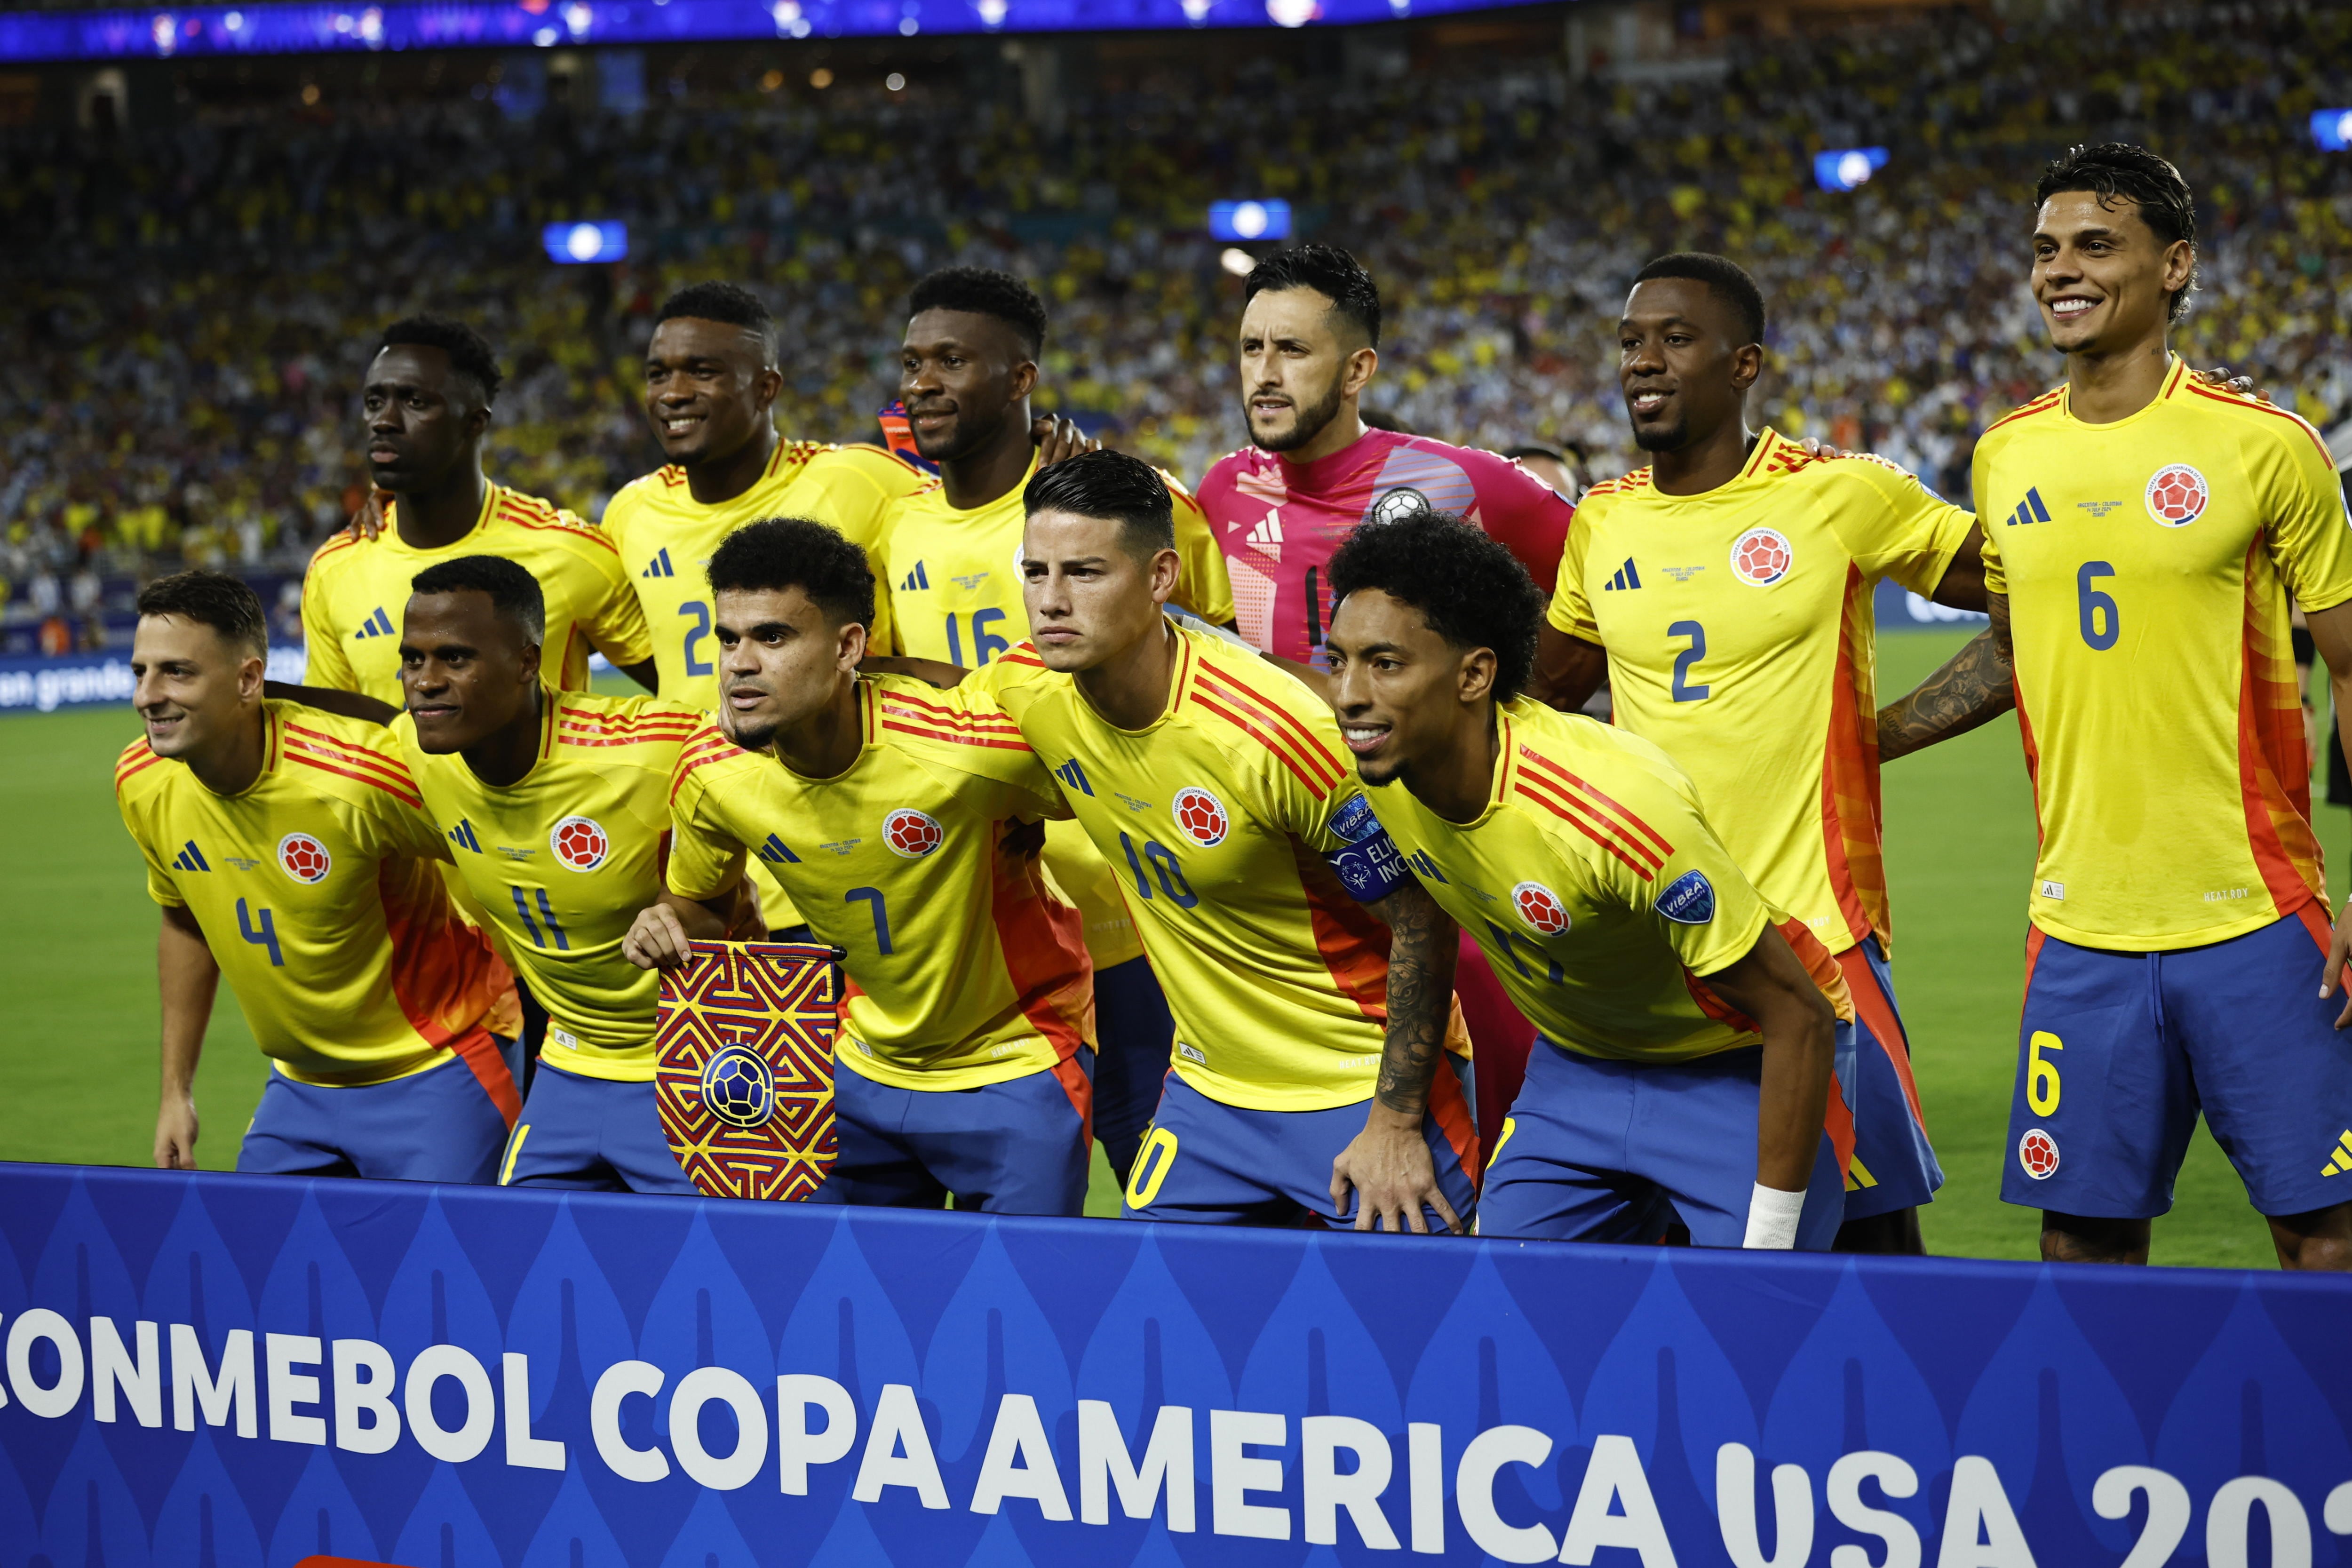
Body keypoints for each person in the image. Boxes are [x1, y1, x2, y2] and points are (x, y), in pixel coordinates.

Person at [1876, 143, 2352, 1271]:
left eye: (2095, 244)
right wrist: (1870, 736)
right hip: (2077, 928)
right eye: (2045, 250)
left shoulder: (2264, 449)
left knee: (2324, 1241)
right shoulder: (2004, 455)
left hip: (2256, 913)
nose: (2060, 271)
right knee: (2080, 1245)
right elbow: (2010, 653)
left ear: (2174, 265)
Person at [1524, 253, 1963, 1253]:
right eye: (1631, 341)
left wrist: (1885, 731)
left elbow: (2028, 593)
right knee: (1659, 1254)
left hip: (1816, 937)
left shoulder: (1839, 494)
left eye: (1676, 338)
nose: (1644, 360)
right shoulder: (1603, 519)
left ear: (1744, 363)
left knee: (1866, 1245)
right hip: (1660, 943)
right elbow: (1539, 695)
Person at [928, 451, 1478, 1232]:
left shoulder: (1277, 732)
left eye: (1084, 572)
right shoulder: (1027, 687)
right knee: (1153, 1331)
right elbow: (913, 740)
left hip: (1356, 1086)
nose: (1050, 601)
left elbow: (1422, 916)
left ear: (1160, 577)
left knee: (1413, 1338)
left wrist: (1393, 1123)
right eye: (1036, 571)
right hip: (1211, 1096)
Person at [1323, 510, 1853, 1247]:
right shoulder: (1375, 764)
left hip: (1736, 1059)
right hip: (1578, 1067)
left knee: (1755, 1328)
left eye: (1384, 664)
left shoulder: (1609, 809)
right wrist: (1394, 1116)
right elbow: (1424, 923)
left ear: (1474, 674)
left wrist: (1768, 1245)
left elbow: (1799, 1014)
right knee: (1504, 1308)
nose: (1348, 694)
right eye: (1337, 660)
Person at [1197, 245, 1577, 1155]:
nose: (1265, 373)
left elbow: (1596, 583)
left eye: (1292, 349)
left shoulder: (1460, 484)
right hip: (1283, 891)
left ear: (1360, 367)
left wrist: (1528, 715)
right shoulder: (1220, 493)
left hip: (1448, 881)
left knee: (1490, 1157)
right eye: (1252, 349)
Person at [874, 266, 1238, 1186]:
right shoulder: (897, 528)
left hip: (1129, 912)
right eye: (912, 361)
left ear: (1021, 377)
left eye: (952, 360)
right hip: (976, 931)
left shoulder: (1127, 505)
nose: (921, 382)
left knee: (1165, 1189)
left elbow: (1223, 676)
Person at [626, 517, 1097, 1212]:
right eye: (729, 638)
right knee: (836, 1301)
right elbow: (700, 908)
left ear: (849, 646)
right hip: (853, 1063)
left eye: (773, 637)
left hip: (1015, 1059)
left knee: (1018, 1307)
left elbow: (1101, 768)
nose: (738, 664)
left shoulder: (964, 746)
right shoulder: (711, 771)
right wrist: (665, 926)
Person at [115, 569, 520, 1181]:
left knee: (453, 1271)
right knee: (261, 1268)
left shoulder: (357, 775)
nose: (149, 695)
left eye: (178, 672)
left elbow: (510, 853)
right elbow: (186, 923)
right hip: (298, 1090)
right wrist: (177, 1092)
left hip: (438, 1068)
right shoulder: (141, 780)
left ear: (250, 680)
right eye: (141, 671)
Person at [600, 280, 929, 942]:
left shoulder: (859, 482)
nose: (674, 392)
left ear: (766, 387)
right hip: (711, 870)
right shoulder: (630, 513)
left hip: (864, 849)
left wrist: (1055, 450)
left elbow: (978, 516)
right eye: (659, 372)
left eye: (704, 371)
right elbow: (653, 660)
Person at [389, 555, 701, 1193]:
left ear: (528, 661)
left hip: (694, 1066)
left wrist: (693, 900)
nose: (425, 681)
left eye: (455, 658)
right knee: (521, 1268)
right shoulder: (413, 755)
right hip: (567, 1064)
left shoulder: (652, 749)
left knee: (709, 1281)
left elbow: (783, 762)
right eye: (413, 659)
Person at [299, 316, 657, 708]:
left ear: (474, 423)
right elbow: (332, 740)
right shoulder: (334, 570)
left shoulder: (570, 553)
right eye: (374, 403)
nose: (384, 420)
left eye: (415, 401)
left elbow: (683, 688)